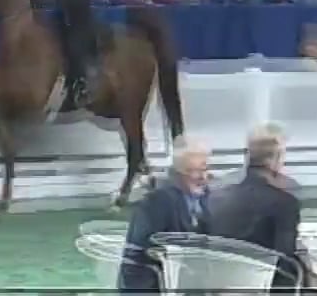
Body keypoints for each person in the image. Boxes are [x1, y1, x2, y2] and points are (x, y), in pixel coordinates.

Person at [207, 124, 305, 291]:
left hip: (221, 287)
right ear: (276, 159)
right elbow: (284, 261)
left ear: (248, 156)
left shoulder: (215, 198)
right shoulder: (285, 203)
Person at [118, 138, 211, 292]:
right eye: (194, 171)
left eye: (205, 169)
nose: (203, 177)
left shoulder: (209, 196)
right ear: (178, 173)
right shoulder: (154, 204)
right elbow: (136, 261)